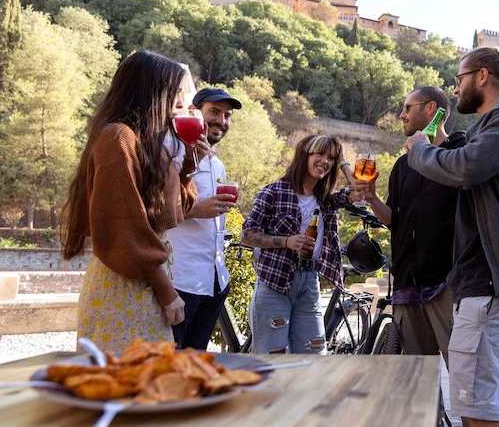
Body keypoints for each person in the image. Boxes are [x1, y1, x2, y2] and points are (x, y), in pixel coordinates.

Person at [406, 47, 499, 427]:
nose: (455, 90)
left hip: (488, 285)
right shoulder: (487, 127)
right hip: (489, 286)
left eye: (459, 79)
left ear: (482, 76)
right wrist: (437, 144)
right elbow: (466, 163)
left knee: (479, 413)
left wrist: (418, 151)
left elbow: (467, 168)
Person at [61, 50, 197, 353]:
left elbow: (175, 211)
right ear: (149, 91)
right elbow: (124, 227)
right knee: (125, 385)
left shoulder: (149, 142)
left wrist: (188, 163)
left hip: (145, 278)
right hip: (124, 280)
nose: (180, 103)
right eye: (173, 93)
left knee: (147, 385)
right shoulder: (118, 137)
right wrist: (166, 290)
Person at [357, 86, 465, 361]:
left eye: (408, 108)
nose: (401, 115)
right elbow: (395, 219)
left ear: (431, 109)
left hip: (447, 286)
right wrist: (372, 199)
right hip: (407, 285)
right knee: (417, 380)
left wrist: (454, 274)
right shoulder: (402, 166)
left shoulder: (460, 155)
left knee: (466, 375)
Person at [241, 135, 356, 354]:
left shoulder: (326, 198)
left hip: (309, 282)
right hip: (274, 282)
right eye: (319, 154)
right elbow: (247, 235)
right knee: (272, 359)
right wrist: (287, 241)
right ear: (305, 155)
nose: (325, 161)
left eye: (330, 157)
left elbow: (361, 191)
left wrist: (343, 162)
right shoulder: (273, 192)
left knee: (314, 356)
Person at [167, 88, 242, 349]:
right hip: (180, 281)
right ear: (194, 112)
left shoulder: (217, 164)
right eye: (214, 112)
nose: (221, 120)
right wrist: (197, 210)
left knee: (193, 362)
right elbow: (152, 210)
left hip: (213, 282)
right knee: (168, 365)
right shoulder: (172, 151)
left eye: (227, 115)